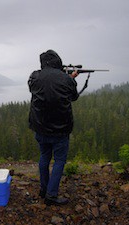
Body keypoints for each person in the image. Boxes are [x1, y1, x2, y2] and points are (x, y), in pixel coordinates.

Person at [28, 49, 79, 206]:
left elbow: (35, 89)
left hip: (40, 127)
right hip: (60, 129)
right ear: (58, 61)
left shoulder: (34, 76)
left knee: (44, 157)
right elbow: (73, 97)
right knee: (59, 160)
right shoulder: (66, 79)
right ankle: (51, 195)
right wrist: (71, 78)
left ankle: (44, 190)